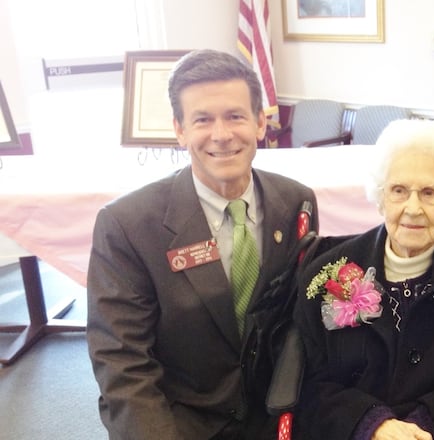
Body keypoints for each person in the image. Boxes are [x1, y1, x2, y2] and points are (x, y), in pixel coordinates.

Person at [87, 49, 319, 439]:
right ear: (179, 129)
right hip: (181, 420)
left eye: (235, 116)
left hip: (276, 411)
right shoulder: (127, 226)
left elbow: (299, 324)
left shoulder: (296, 202)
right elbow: (123, 364)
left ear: (261, 122)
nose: (222, 135)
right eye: (202, 120)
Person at [293, 119, 434, 439]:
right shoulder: (328, 272)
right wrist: (371, 424)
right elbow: (310, 383)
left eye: (429, 193)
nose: (413, 208)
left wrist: (429, 424)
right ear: (380, 196)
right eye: (399, 191)